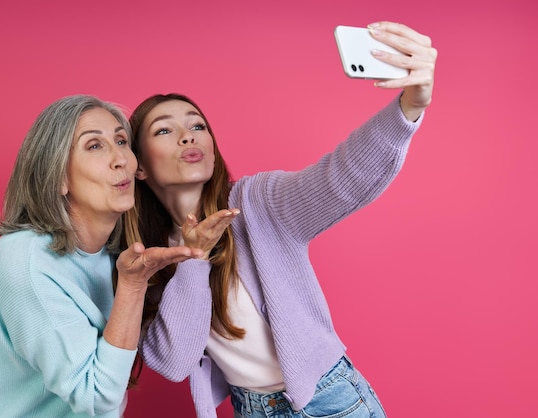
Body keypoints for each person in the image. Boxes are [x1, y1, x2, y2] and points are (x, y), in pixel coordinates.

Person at [128, 21, 437, 418]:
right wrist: (194, 259)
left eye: (197, 125)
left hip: (328, 402)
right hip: (251, 408)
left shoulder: (256, 202)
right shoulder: (147, 256)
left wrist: (409, 108)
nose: (188, 137)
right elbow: (173, 362)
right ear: (139, 166)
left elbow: (339, 178)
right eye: (165, 130)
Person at [0, 95, 204, 417]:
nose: (120, 158)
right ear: (58, 177)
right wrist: (132, 288)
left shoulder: (121, 251)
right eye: (94, 146)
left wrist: (197, 256)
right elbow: (95, 399)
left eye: (121, 141)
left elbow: (175, 359)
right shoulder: (25, 262)